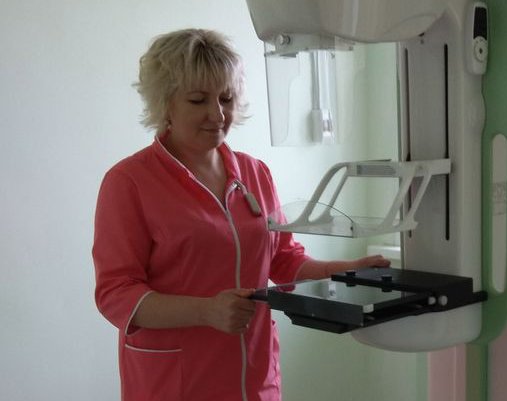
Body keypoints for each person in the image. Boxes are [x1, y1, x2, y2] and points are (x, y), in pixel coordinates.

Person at [92, 28, 388, 401]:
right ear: (165, 103)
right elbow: (116, 294)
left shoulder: (254, 173)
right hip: (175, 383)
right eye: (198, 100)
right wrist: (206, 311)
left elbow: (282, 259)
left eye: (226, 98)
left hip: (255, 376)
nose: (217, 114)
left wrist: (345, 272)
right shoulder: (129, 182)